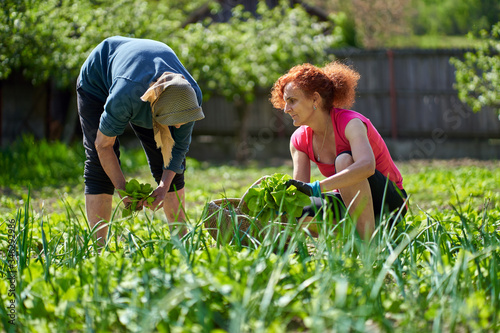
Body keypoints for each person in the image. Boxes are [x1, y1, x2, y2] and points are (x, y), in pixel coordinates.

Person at [77, 36, 204, 243]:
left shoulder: (189, 96)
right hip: (98, 80)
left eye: (183, 120)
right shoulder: (124, 97)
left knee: (171, 165)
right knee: (99, 166)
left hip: (144, 82)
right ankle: (97, 250)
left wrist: (163, 187)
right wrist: (122, 189)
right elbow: (103, 145)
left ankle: (182, 242)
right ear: (155, 110)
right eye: (174, 121)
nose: (180, 126)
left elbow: (178, 150)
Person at [270, 61, 407, 240]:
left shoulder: (351, 123)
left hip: (389, 202)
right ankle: (354, 242)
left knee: (343, 161)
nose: (286, 109)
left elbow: (367, 166)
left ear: (315, 99)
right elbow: (300, 194)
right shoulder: (298, 140)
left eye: (292, 101)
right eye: (286, 102)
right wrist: (277, 195)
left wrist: (318, 187)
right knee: (303, 212)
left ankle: (370, 249)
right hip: (349, 201)